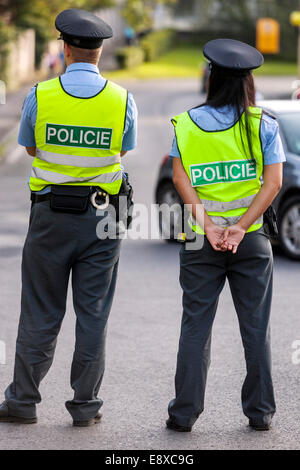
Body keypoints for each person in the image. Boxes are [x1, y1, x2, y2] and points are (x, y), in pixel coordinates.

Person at [0, 8, 137, 427]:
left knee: (40, 310)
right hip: (102, 219)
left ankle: (23, 401)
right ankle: (84, 407)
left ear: (65, 47)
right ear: (101, 50)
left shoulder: (41, 96)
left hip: (50, 218)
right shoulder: (122, 98)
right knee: (93, 314)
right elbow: (123, 150)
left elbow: (29, 146)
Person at [166, 39, 285, 433]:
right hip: (250, 240)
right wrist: (239, 226)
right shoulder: (263, 124)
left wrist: (210, 226)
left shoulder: (185, 124)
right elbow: (273, 183)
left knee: (194, 327)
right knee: (256, 327)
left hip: (202, 240)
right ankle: (261, 413)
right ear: (248, 81)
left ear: (212, 79)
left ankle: (183, 415)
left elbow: (180, 178)